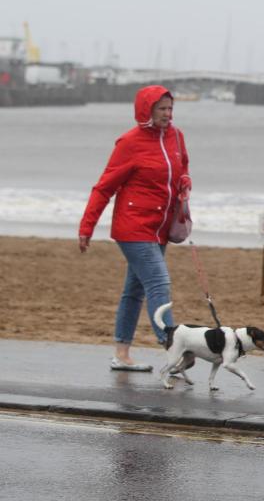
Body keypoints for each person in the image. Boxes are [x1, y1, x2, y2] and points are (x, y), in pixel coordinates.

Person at [78, 85, 191, 371]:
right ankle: (172, 348)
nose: (168, 114)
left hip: (160, 227)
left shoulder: (176, 137)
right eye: (161, 109)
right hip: (133, 227)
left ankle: (122, 354)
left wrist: (185, 182)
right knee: (159, 283)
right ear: (147, 110)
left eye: (170, 108)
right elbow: (104, 187)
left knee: (135, 290)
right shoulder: (130, 142)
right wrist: (87, 226)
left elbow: (182, 167)